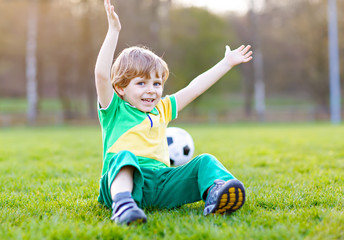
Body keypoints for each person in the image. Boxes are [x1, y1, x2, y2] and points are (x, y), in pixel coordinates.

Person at [95, 0, 253, 225]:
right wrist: (113, 31)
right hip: (120, 183)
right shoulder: (114, 109)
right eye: (141, 83)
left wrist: (225, 64)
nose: (151, 90)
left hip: (161, 183)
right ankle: (123, 206)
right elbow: (101, 76)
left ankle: (217, 193)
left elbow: (194, 89)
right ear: (120, 87)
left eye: (157, 84)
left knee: (204, 161)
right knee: (124, 157)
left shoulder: (163, 109)